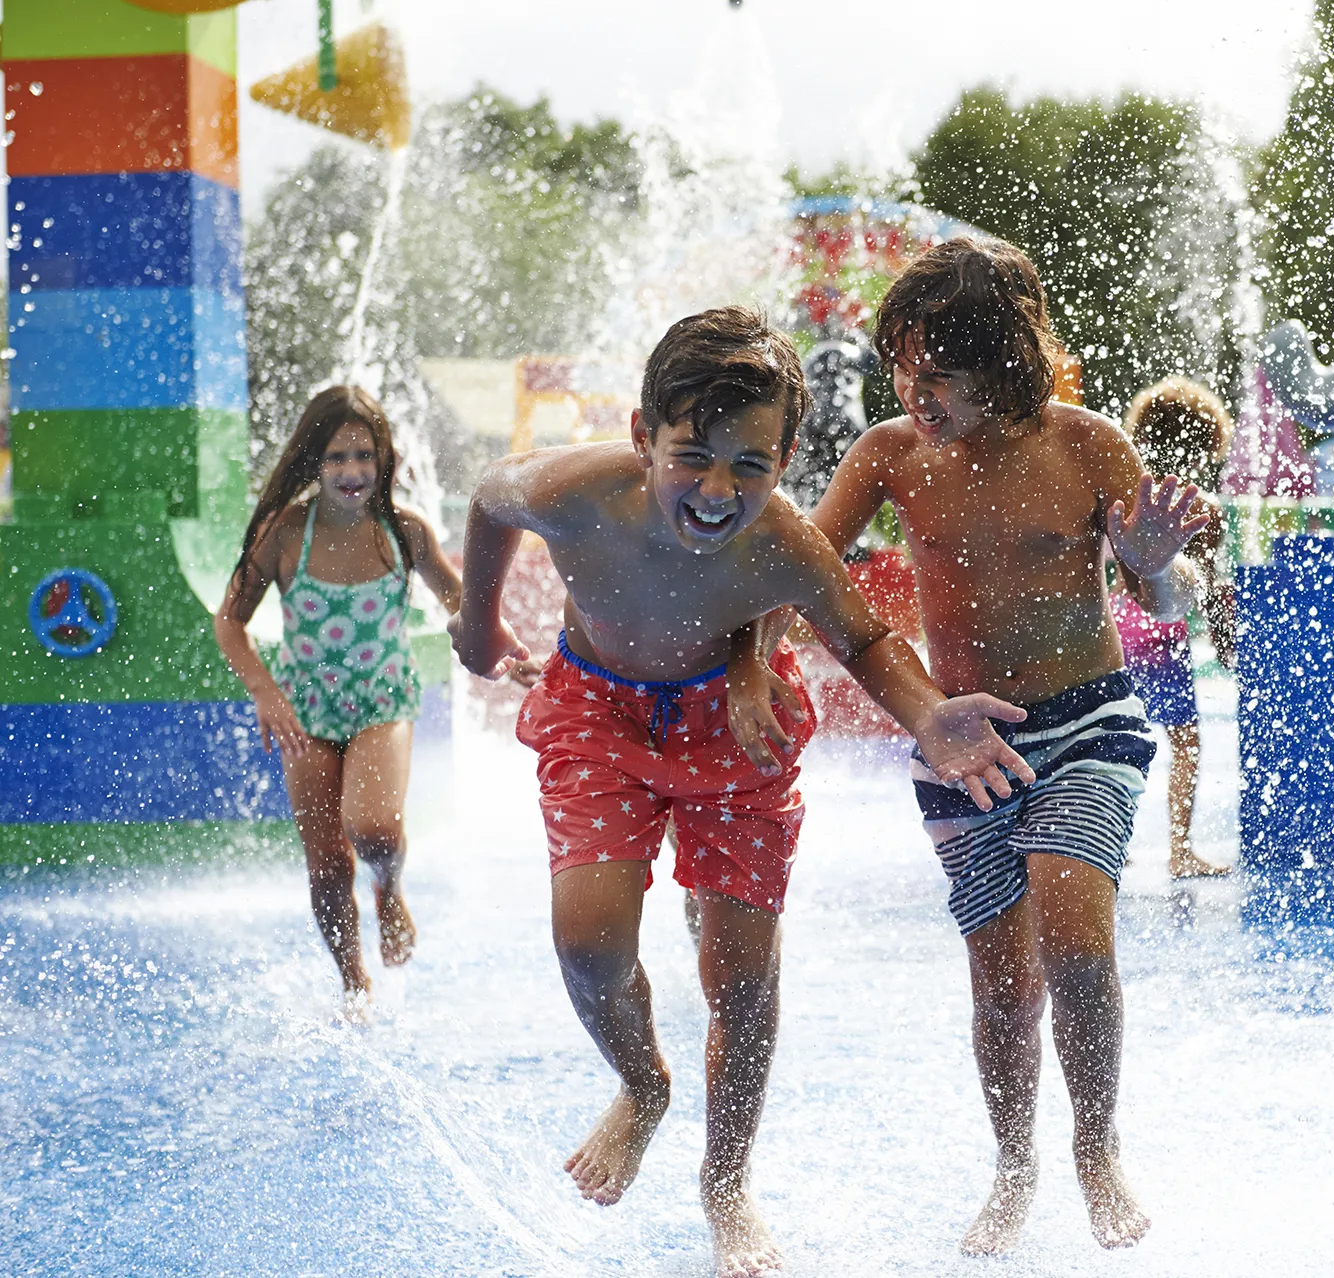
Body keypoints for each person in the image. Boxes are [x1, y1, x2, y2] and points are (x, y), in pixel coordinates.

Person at [448, 306, 1034, 1278]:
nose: (719, 490)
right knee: (588, 944)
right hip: (601, 716)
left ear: (787, 457)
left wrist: (927, 716)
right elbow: (486, 500)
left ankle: (727, 1184)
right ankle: (641, 1086)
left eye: (750, 467)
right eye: (694, 457)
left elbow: (865, 639)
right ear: (644, 436)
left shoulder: (785, 545)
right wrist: (474, 626)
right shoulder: (578, 493)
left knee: (745, 983)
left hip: (736, 735)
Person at [731, 238, 1210, 1255]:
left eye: (938, 371)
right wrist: (750, 662)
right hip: (957, 743)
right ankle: (1014, 1163)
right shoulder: (892, 454)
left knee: (1075, 943)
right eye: (900, 365)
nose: (915, 390)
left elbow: (1165, 598)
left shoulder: (1085, 448)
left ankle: (1096, 1147)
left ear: (1005, 364)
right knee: (1000, 986)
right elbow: (799, 568)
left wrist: (1155, 571)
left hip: (1086, 724)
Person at [213, 386, 463, 1017]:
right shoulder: (285, 533)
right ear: (312, 463)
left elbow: (463, 602)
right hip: (305, 709)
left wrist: (499, 652)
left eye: (363, 455)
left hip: (383, 699)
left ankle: (389, 888)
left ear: (383, 459)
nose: (351, 471)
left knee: (375, 831)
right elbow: (229, 622)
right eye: (335, 458)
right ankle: (354, 979)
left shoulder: (403, 532)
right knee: (326, 863)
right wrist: (265, 693)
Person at [1114, 377, 1236, 879]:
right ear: (1207, 441)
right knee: (1185, 740)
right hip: (1161, 634)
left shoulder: (1128, 492)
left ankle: (1106, 848)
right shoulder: (1201, 507)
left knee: (1114, 739)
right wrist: (1229, 650)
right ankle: (1181, 851)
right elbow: (1205, 591)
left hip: (1118, 626)